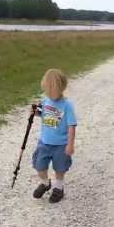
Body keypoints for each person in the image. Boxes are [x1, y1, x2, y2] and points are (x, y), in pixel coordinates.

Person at [31, 68, 77, 203]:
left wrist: (70, 144)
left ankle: (58, 187)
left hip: (61, 145)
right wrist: (35, 112)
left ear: (62, 88)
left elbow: (72, 126)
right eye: (47, 91)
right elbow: (44, 116)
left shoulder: (67, 105)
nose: (50, 94)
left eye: (53, 91)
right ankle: (45, 183)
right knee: (39, 166)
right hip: (44, 142)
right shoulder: (45, 101)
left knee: (60, 168)